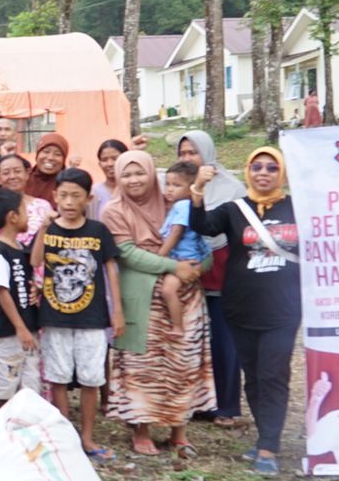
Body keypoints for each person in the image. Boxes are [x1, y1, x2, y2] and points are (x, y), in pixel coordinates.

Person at [189, 147, 299, 475]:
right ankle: (265, 437)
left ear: (281, 173)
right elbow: (203, 225)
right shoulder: (234, 209)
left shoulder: (298, 207)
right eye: (257, 167)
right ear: (248, 171)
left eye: (271, 167)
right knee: (252, 376)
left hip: (283, 309)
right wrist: (197, 188)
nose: (263, 173)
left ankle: (268, 447)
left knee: (273, 375)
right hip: (241, 308)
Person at [103, 151, 213, 459]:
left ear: (153, 174)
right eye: (126, 174)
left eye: (140, 173)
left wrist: (198, 268)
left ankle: (179, 431)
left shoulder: (175, 201)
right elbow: (128, 254)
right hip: (143, 298)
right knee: (143, 367)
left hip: (185, 294)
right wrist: (173, 266)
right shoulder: (114, 210)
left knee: (183, 363)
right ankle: (141, 429)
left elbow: (203, 242)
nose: (133, 180)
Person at [31, 168, 122, 462]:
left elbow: (111, 269)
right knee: (57, 377)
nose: (69, 202)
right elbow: (35, 261)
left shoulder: (98, 231)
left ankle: (87, 437)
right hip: (54, 317)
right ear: (55, 196)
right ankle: (65, 436)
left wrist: (117, 311)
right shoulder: (49, 229)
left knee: (91, 378)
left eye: (76, 196)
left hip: (92, 318)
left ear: (88, 199)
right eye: (64, 195)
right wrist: (43, 229)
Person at [176, 129, 248, 430]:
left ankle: (226, 405)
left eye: (193, 152)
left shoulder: (232, 188)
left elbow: (236, 231)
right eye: (183, 153)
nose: (188, 158)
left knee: (224, 340)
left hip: (222, 269)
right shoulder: (179, 184)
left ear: (207, 153)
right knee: (193, 340)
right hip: (188, 272)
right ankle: (197, 403)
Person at [0, 189, 41, 408]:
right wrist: (20, 327)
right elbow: (1, 291)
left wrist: (34, 291)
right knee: (6, 383)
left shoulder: (20, 248)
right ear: (13, 217)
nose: (28, 216)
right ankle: (2, 423)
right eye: (25, 211)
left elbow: (26, 279)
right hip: (7, 332)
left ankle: (27, 423)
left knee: (31, 383)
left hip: (27, 329)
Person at [158, 161, 207, 339]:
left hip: (184, 259)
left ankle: (177, 326)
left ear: (191, 188)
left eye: (177, 185)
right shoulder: (178, 206)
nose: (170, 189)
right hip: (182, 258)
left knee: (168, 290)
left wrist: (160, 256)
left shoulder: (183, 206)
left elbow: (176, 233)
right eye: (168, 184)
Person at [90, 139, 128, 220]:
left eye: (115, 158)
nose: (110, 164)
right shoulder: (94, 192)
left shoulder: (134, 189)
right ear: (99, 164)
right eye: (104, 160)